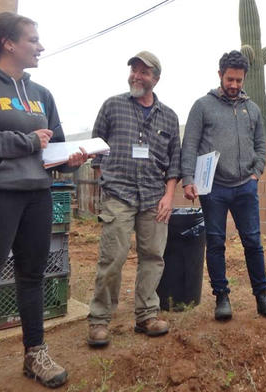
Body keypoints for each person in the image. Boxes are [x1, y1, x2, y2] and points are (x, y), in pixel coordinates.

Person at [0, 12, 88, 392]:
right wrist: (24, 143)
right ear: (8, 43)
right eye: (33, 40)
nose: (41, 46)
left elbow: (52, 145)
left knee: (32, 278)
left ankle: (35, 354)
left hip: (37, 196)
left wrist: (69, 159)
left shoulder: (41, 94)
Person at [86, 51, 181, 346]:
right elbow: (96, 147)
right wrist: (105, 181)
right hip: (120, 195)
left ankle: (146, 315)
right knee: (112, 258)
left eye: (143, 72)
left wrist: (168, 196)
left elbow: (174, 162)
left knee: (153, 257)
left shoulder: (169, 116)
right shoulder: (112, 106)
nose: (136, 76)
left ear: (156, 79)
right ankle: (100, 320)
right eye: (134, 70)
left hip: (154, 197)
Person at [181, 50, 266, 322]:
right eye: (230, 79)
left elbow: (261, 144)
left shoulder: (253, 109)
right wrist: (188, 179)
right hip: (213, 188)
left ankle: (262, 298)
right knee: (215, 243)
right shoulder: (203, 106)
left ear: (245, 78)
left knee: (253, 242)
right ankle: (221, 297)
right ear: (220, 75)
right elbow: (189, 144)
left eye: (239, 80)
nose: (235, 85)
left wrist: (256, 172)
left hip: (245, 188)